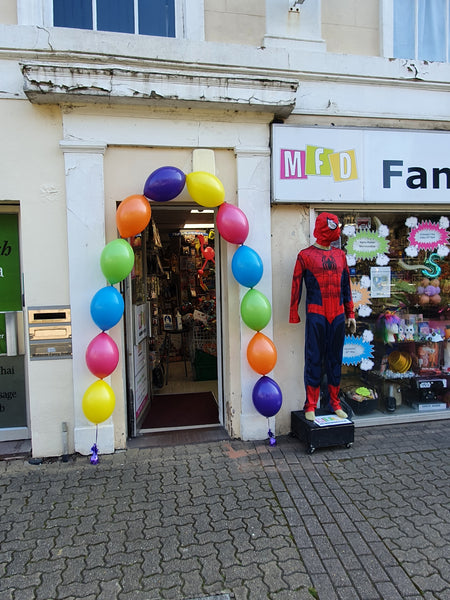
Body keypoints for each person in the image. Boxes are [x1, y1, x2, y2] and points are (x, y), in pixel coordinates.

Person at [289, 212, 356, 421]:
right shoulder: (305, 255)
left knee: (335, 360)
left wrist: (350, 313)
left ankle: (334, 402)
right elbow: (296, 285)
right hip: (316, 315)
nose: (335, 230)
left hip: (337, 315)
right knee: (314, 359)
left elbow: (346, 286)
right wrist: (293, 313)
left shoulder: (341, 256)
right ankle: (310, 404)